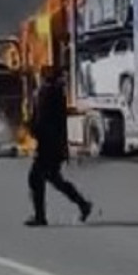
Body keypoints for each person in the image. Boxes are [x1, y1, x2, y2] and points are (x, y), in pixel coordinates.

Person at [25, 67, 92, 227]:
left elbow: (41, 120)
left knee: (35, 178)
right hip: (55, 145)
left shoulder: (46, 93)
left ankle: (40, 217)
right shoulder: (57, 93)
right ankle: (83, 204)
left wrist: (33, 130)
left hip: (47, 145)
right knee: (53, 178)